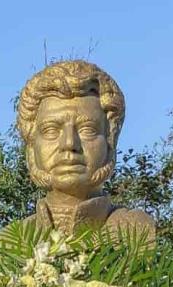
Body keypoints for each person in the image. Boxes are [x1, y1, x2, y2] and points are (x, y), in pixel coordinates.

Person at [16, 60, 155, 242]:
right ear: (31, 146)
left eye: (87, 130)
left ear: (110, 141)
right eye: (51, 130)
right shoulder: (9, 243)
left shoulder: (136, 231)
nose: (69, 143)